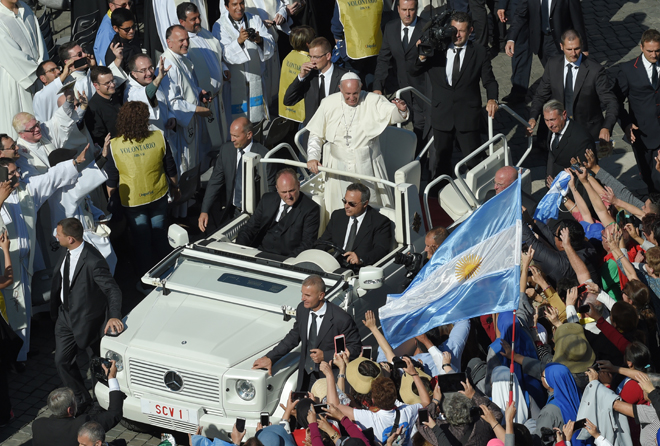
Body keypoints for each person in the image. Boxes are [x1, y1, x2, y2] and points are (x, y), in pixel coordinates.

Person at [0, 153, 84, 364]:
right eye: (12, 173)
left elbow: (51, 177)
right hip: (6, 268)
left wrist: (73, 163)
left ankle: (23, 351)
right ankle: (13, 357)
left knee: (24, 309)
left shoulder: (25, 190)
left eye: (16, 170)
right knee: (12, 312)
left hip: (23, 264)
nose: (18, 174)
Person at [409, 11, 498, 180]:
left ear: (470, 30)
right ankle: (439, 197)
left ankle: (481, 195)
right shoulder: (436, 50)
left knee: (474, 160)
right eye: (453, 30)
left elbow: (490, 81)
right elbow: (413, 71)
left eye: (462, 31)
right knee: (441, 162)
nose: (456, 35)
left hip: (468, 116)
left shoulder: (479, 52)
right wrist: (421, 54)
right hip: (442, 115)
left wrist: (493, 99)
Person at [306, 72, 409, 212]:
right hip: (338, 167)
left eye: (355, 93)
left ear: (361, 88)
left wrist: (401, 110)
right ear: (340, 89)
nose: (352, 97)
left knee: (372, 206)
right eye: (347, 93)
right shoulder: (328, 103)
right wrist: (313, 157)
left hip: (367, 166)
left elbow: (392, 114)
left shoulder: (372, 100)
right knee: (338, 207)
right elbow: (316, 134)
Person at [103, 101, 180, 289]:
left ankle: (147, 283)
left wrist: (113, 200)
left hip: (132, 201)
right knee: (160, 235)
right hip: (158, 194)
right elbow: (170, 167)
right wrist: (176, 188)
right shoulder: (158, 137)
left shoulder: (114, 145)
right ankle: (168, 275)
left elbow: (111, 180)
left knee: (141, 240)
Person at [51, 218, 123, 412]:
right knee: (62, 361)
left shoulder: (93, 260)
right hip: (65, 317)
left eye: (59, 234)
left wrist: (114, 315)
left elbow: (112, 290)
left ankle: (103, 402)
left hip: (87, 321)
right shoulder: (66, 251)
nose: (56, 237)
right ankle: (82, 399)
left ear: (71, 239)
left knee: (96, 364)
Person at [252, 274, 362, 391]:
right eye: (302, 294)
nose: (302, 298)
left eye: (307, 295)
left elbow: (355, 348)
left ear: (321, 295)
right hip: (306, 378)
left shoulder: (341, 319)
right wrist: (270, 357)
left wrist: (326, 356)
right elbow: (294, 337)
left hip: (330, 379)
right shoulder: (302, 309)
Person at [528, 30, 618, 143]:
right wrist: (533, 117)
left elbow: (611, 101)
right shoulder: (553, 64)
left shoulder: (595, 70)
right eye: (569, 49)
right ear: (561, 47)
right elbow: (541, 94)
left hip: (586, 131)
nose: (573, 53)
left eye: (577, 49)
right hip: (559, 130)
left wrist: (606, 127)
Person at [373, 0, 430, 157]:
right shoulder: (391, 28)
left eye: (411, 9)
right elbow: (384, 59)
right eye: (404, 9)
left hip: (422, 89)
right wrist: (378, 86)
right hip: (403, 88)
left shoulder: (426, 27)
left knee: (421, 126)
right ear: (397, 9)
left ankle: (419, 162)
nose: (408, 14)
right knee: (403, 125)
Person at [198, 117, 276, 232]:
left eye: (236, 136)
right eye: (231, 135)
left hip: (256, 213)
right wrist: (204, 210)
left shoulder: (264, 156)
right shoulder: (226, 150)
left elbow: (270, 191)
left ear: (249, 135)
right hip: (233, 211)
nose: (232, 139)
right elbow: (215, 182)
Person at [47, 147, 117, 273]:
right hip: (77, 241)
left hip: (89, 236)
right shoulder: (61, 191)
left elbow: (86, 204)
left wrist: (99, 216)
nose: (76, 165)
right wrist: (102, 159)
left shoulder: (70, 184)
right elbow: (84, 183)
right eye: (72, 162)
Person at [161, 25, 213, 179]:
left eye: (187, 39)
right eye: (181, 40)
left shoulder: (181, 57)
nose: (186, 43)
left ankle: (192, 194)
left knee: (194, 159)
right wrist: (197, 110)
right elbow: (172, 102)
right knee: (184, 162)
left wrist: (198, 92)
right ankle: (185, 201)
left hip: (191, 118)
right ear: (169, 42)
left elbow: (185, 85)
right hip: (181, 124)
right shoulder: (168, 65)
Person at [31, 361, 124, 446]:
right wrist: (111, 378)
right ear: (70, 410)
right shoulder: (81, 424)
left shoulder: (38, 425)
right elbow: (114, 413)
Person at [178, 2, 229, 152]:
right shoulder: (184, 46)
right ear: (182, 22)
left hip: (218, 97)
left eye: (198, 17)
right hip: (204, 100)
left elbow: (216, 55)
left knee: (221, 135)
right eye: (193, 19)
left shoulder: (205, 33)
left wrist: (224, 68)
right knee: (206, 144)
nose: (198, 21)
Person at [213, 0, 275, 124]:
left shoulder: (254, 19)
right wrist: (239, 41)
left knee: (258, 122)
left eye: (241, 3)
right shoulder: (219, 25)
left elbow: (270, 42)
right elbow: (223, 54)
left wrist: (259, 40)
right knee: (237, 124)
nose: (239, 8)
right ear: (226, 6)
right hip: (234, 85)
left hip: (255, 79)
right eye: (234, 4)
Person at [613, 29, 660, 193]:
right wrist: (626, 124)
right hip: (643, 134)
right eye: (650, 51)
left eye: (657, 51)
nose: (654, 55)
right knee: (649, 177)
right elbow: (615, 101)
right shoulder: (628, 70)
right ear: (641, 47)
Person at [236, 168, 320, 257]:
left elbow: (307, 244)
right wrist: (238, 249)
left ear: (298, 186)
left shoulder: (310, 209)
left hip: (285, 259)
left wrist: (286, 262)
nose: (288, 196)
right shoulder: (267, 200)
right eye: (284, 192)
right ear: (277, 188)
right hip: (259, 251)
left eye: (292, 190)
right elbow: (250, 228)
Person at [0, 0, 48, 139]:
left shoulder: (25, 9)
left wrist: (43, 67)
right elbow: (10, 54)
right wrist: (37, 73)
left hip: (38, 74)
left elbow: (40, 42)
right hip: (15, 78)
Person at [314, 183, 392, 268]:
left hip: (359, 270)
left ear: (365, 203)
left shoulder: (380, 222)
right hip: (335, 264)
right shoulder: (337, 216)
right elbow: (323, 242)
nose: (346, 206)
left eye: (352, 204)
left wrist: (361, 259)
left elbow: (381, 250)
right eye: (344, 201)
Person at [282, 36, 348, 126]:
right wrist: (301, 76)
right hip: (312, 132)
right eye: (310, 57)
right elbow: (288, 100)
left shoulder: (344, 76)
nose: (312, 61)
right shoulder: (309, 76)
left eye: (316, 57)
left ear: (328, 56)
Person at [505, 0, 589, 67]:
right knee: (550, 71)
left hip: (560, 40)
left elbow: (577, 21)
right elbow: (520, 15)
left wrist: (583, 48)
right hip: (540, 40)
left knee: (559, 73)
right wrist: (511, 39)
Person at [329, 0, 383, 87]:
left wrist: (340, 48)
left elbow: (337, 29)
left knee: (354, 88)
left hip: (353, 52)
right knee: (373, 86)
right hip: (374, 49)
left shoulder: (342, 2)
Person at [542, 99, 595, 179]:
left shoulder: (581, 139)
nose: (549, 125)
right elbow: (552, 156)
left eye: (553, 120)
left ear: (564, 115)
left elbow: (586, 172)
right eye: (546, 120)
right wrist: (549, 177)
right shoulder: (554, 128)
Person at [124, 54, 172, 132]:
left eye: (150, 68)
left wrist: (170, 116)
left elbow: (165, 99)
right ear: (134, 74)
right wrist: (159, 78)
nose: (149, 73)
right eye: (143, 70)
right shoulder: (130, 92)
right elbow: (148, 93)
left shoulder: (152, 80)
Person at [85, 66, 126, 146]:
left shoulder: (117, 96)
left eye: (112, 80)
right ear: (96, 86)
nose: (112, 85)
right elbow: (99, 137)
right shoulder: (93, 108)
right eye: (107, 83)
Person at [93, 0, 132, 65]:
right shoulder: (107, 32)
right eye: (123, 5)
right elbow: (103, 62)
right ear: (111, 6)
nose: (128, 8)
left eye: (130, 3)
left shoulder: (115, 17)